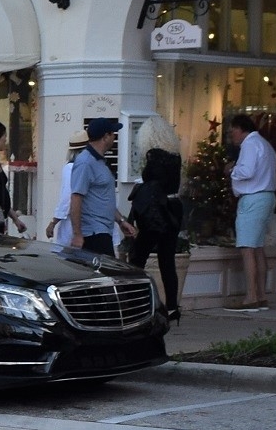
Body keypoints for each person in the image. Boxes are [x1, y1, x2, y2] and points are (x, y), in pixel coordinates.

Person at [124, 117, 185, 308]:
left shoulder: (154, 156)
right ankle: (172, 306)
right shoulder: (175, 156)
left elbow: (150, 182)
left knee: (138, 256)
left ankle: (134, 302)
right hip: (174, 207)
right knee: (167, 261)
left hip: (156, 210)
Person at [226, 110, 276, 308]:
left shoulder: (250, 145)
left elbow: (246, 171)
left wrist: (231, 169)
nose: (232, 136)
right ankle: (261, 295)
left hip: (253, 198)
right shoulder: (265, 144)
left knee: (248, 248)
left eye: (232, 132)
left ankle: (251, 297)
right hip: (267, 196)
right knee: (257, 248)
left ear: (240, 129)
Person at [52, 118, 120, 254]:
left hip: (104, 230)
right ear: (105, 137)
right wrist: (77, 234)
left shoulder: (100, 162)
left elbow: (104, 198)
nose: (115, 137)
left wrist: (121, 221)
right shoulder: (85, 163)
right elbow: (75, 197)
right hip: (94, 231)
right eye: (113, 133)